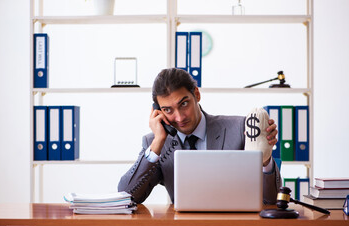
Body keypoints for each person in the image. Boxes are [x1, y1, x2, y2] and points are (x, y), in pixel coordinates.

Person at [118, 68, 281, 204]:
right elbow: (127, 197)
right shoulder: (156, 143)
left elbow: (271, 200)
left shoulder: (239, 129)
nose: (180, 117)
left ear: (196, 94)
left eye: (184, 104)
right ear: (158, 111)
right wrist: (158, 142)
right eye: (168, 110)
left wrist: (265, 159)